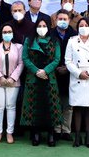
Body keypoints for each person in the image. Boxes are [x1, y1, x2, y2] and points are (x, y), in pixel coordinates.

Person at [21, 19, 62, 147]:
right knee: (34, 106)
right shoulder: (29, 40)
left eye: (44, 26)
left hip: (49, 78)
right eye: (39, 26)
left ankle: (51, 134)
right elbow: (25, 58)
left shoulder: (54, 41)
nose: (42, 28)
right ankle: (35, 133)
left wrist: (45, 71)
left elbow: (57, 59)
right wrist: (36, 71)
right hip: (33, 78)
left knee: (51, 107)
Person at [65, 17, 89, 148]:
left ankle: (88, 136)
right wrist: (78, 73)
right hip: (77, 78)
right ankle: (77, 136)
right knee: (77, 108)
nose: (83, 26)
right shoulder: (72, 41)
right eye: (81, 25)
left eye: (86, 24)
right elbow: (68, 61)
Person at [0, 23, 24, 144]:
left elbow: (21, 64)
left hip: (13, 82)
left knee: (11, 107)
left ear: (13, 33)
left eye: (9, 32)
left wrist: (12, 78)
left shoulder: (19, 47)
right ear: (1, 34)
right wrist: (0, 77)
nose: (7, 34)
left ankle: (9, 133)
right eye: (5, 32)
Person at [52, 9, 77, 141]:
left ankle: (66, 130)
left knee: (68, 104)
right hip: (53, 74)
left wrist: (68, 68)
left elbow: (78, 55)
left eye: (65, 19)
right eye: (60, 19)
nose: (62, 21)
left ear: (69, 20)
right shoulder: (50, 34)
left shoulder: (74, 35)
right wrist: (55, 67)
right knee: (55, 103)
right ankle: (56, 129)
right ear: (56, 20)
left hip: (69, 74)